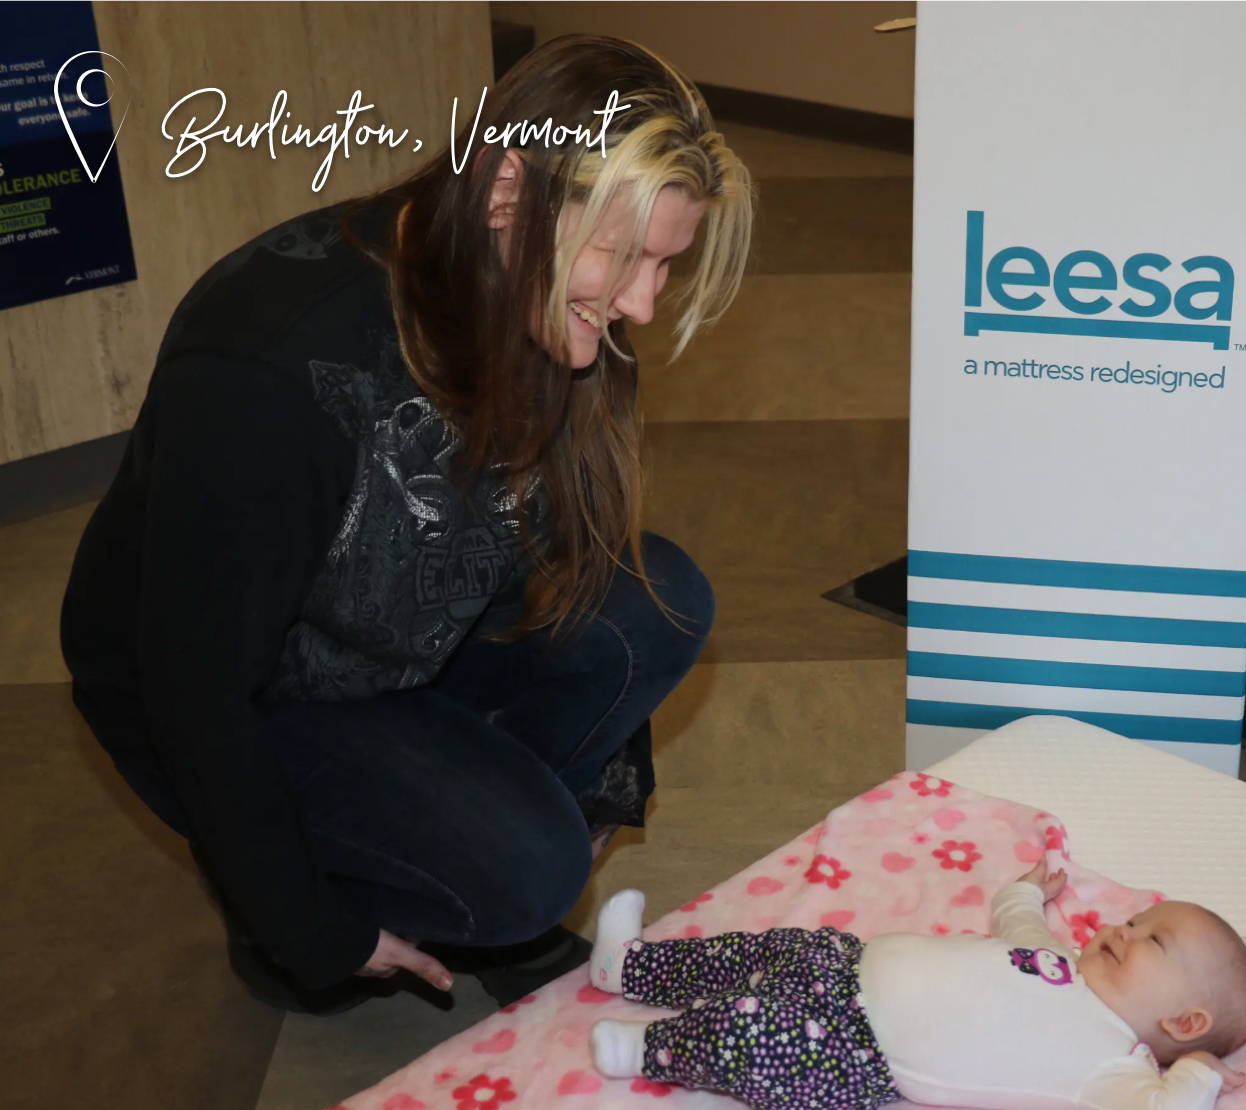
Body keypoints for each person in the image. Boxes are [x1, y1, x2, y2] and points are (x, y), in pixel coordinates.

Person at [58, 34, 754, 1013]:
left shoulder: (540, 291)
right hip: (249, 697)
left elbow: (570, 541)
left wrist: (603, 778)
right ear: (509, 195)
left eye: (665, 264)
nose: (641, 301)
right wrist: (309, 928)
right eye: (626, 256)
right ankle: (347, 885)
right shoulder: (272, 366)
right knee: (531, 871)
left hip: (395, 633)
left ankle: (455, 864)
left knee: (661, 602)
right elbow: (189, 689)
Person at [586, 865, 1246, 1110]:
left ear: (1184, 1022)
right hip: (844, 963)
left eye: (1153, 940)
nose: (1124, 926)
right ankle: (629, 968)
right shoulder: (1054, 958)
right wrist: (1029, 888)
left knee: (751, 1036)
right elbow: (1015, 917)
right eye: (1135, 918)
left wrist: (1198, 1078)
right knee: (756, 953)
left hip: (858, 1056)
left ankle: (647, 1050)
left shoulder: (1110, 1069)